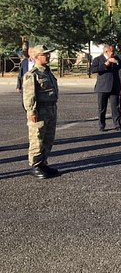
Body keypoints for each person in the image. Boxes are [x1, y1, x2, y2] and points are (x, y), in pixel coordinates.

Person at [23, 45, 60, 179]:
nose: (48, 56)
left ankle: (43, 163)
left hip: (51, 109)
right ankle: (35, 165)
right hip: (40, 110)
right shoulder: (32, 75)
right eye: (45, 54)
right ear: (37, 57)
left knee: (48, 138)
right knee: (37, 139)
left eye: (48, 54)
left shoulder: (47, 72)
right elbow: (29, 95)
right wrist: (31, 111)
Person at [90, 44, 121, 132]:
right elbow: (92, 69)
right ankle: (101, 125)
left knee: (115, 107)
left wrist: (116, 62)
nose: (113, 53)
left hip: (114, 87)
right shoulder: (98, 59)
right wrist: (105, 64)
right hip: (103, 87)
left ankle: (117, 125)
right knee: (102, 108)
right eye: (112, 51)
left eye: (114, 51)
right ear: (106, 51)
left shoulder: (116, 58)